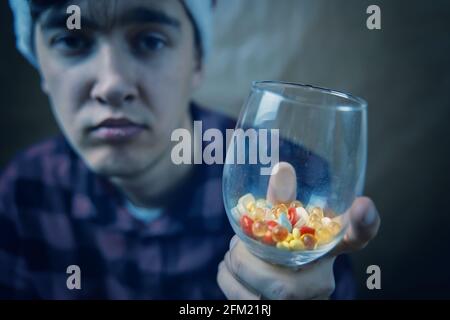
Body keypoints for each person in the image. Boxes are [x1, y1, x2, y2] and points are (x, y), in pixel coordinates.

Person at [0, 0, 380, 299]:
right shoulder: (24, 191)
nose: (112, 84)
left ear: (197, 60)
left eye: (150, 40)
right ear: (38, 63)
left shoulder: (297, 186)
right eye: (71, 40)